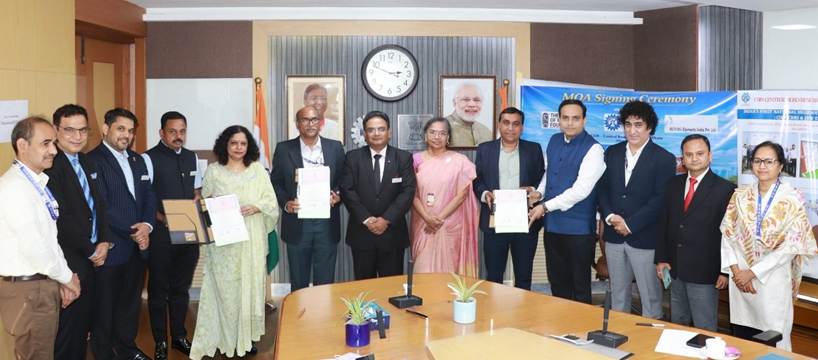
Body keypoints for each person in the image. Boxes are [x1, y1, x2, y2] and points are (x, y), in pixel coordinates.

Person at [190, 125, 279, 359]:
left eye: (243, 143)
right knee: (227, 291)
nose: (239, 148)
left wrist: (256, 207)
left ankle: (245, 339)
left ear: (248, 146)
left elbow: (271, 202)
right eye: (234, 143)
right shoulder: (214, 172)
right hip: (224, 242)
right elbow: (203, 204)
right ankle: (226, 339)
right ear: (225, 145)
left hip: (251, 239)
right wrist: (211, 202)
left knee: (249, 288)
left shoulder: (258, 170)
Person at [721, 141, 818, 350]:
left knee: (773, 340)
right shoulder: (740, 195)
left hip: (771, 282)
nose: (762, 166)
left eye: (768, 161)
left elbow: (790, 247)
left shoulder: (792, 199)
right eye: (757, 161)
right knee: (743, 341)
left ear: (780, 165)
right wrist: (738, 272)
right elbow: (727, 235)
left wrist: (752, 273)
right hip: (740, 283)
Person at [0, 117, 81, 360]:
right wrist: (68, 278)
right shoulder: (14, 188)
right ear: (22, 145)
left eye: (54, 143)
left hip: (40, 284)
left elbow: (49, 239)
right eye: (45, 144)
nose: (54, 150)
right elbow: (35, 248)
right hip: (28, 289)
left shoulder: (35, 183)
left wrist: (62, 278)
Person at [87, 108, 156, 360]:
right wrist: (134, 231)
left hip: (138, 247)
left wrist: (147, 226)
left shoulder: (138, 160)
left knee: (130, 304)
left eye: (130, 130)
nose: (126, 135)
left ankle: (126, 348)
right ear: (106, 129)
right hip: (112, 247)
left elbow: (149, 196)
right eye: (120, 129)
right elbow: (101, 205)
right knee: (104, 307)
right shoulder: (92, 160)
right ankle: (105, 354)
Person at [597, 100, 675, 319]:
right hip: (613, 236)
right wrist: (611, 216)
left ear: (649, 127)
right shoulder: (611, 153)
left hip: (645, 238)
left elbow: (660, 199)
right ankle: (618, 338)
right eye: (628, 124)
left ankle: (650, 345)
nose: (632, 130)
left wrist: (630, 224)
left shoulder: (663, 158)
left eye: (638, 125)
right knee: (618, 297)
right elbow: (602, 189)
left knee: (650, 298)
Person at [46, 105, 109, 360]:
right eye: (69, 130)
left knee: (84, 329)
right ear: (56, 131)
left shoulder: (85, 160)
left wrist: (104, 240)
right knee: (68, 333)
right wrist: (91, 249)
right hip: (70, 260)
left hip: (93, 256)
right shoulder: (51, 165)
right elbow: (61, 219)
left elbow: (99, 204)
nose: (77, 136)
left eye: (83, 130)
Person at [654, 134, 735, 331]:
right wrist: (661, 258)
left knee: (704, 327)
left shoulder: (726, 189)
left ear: (710, 156)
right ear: (682, 158)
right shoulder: (672, 184)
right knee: (678, 324)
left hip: (706, 272)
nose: (694, 158)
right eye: (688, 154)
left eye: (700, 153)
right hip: (675, 268)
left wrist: (724, 271)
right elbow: (663, 223)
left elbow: (730, 236)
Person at [527, 99, 605, 303]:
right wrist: (538, 193)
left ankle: (582, 332)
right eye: (565, 118)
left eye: (575, 118)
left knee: (579, 286)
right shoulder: (553, 141)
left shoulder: (594, 149)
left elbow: (581, 190)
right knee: (558, 283)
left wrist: (544, 206)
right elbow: (549, 174)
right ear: (559, 120)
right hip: (553, 227)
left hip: (578, 231)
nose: (570, 123)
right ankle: (561, 330)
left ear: (584, 120)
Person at [141, 111, 202, 359]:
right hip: (161, 236)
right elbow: (145, 198)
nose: (178, 136)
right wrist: (161, 218)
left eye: (182, 131)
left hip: (188, 231)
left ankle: (178, 336)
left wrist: (197, 200)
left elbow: (196, 190)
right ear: (162, 133)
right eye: (173, 131)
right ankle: (160, 341)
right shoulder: (148, 158)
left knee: (181, 288)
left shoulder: (191, 157)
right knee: (158, 290)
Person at [271, 106, 345, 291]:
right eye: (305, 119)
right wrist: (286, 203)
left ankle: (323, 320)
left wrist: (337, 195)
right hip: (297, 223)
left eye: (314, 119)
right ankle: (298, 319)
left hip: (326, 223)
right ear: (298, 124)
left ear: (320, 123)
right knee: (299, 281)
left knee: (325, 282)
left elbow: (344, 179)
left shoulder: (335, 147)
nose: (310, 123)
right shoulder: (283, 148)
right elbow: (276, 182)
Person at [473, 107, 545, 290]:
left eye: (516, 124)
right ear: (499, 125)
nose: (510, 128)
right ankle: (494, 316)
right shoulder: (485, 149)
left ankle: (523, 316)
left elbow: (542, 179)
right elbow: (477, 181)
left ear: (522, 127)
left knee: (523, 276)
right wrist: (484, 194)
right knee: (494, 275)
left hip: (526, 221)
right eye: (506, 123)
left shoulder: (534, 149)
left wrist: (534, 189)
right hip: (495, 220)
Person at [340, 111, 416, 280]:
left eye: (381, 129)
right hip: (362, 233)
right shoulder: (353, 158)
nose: (376, 133)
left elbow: (408, 191)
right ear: (365, 134)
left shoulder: (403, 158)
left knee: (391, 286)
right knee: (363, 286)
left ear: (389, 132)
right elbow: (347, 190)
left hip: (392, 234)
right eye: (371, 130)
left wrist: (385, 219)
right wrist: (367, 219)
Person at [410, 117, 479, 276]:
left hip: (450, 225)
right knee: (423, 270)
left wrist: (439, 218)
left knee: (449, 271)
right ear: (425, 135)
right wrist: (428, 218)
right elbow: (411, 193)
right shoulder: (415, 160)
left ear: (448, 137)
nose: (437, 137)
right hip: (423, 223)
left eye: (442, 133)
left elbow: (462, 195)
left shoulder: (460, 161)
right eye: (432, 132)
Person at [446, 83, 492, 147]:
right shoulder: (442, 128)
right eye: (466, 99)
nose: (472, 104)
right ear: (454, 102)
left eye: (476, 100)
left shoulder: (486, 132)